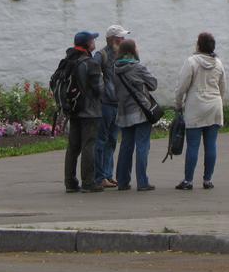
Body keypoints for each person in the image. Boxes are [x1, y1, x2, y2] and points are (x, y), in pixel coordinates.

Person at [173, 32, 225, 191]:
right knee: (211, 145)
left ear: (198, 45)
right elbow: (223, 87)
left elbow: (182, 86)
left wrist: (178, 104)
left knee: (193, 145)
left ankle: (188, 181)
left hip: (195, 106)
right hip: (215, 105)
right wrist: (218, 100)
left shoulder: (191, 62)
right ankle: (207, 180)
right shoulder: (218, 63)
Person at [113, 38, 158, 192]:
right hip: (140, 112)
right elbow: (153, 84)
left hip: (123, 113)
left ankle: (122, 181)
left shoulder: (115, 69)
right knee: (142, 146)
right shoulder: (138, 67)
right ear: (133, 50)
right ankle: (142, 182)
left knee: (126, 146)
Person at [63, 31, 104, 193]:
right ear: (87, 44)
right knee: (89, 145)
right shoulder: (91, 63)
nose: (94, 42)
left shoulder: (69, 60)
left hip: (74, 109)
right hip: (90, 111)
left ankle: (70, 182)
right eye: (92, 40)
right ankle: (88, 182)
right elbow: (99, 89)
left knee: (73, 147)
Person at [93, 24, 128, 188]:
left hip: (117, 103)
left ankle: (108, 174)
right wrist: (101, 91)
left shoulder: (121, 55)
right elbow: (92, 72)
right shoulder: (102, 55)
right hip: (105, 104)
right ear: (113, 40)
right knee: (101, 140)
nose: (124, 40)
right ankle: (99, 177)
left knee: (112, 140)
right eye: (121, 38)